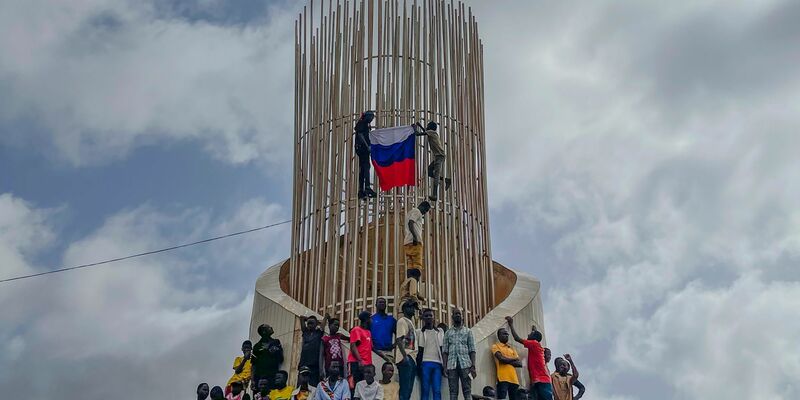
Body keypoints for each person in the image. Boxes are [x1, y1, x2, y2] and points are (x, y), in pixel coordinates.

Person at [505, 318, 552, 400]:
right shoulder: (535, 345)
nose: (528, 334)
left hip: (542, 381)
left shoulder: (534, 344)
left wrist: (511, 324)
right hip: (539, 381)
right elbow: (536, 337)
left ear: (534, 337)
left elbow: (517, 338)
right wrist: (534, 330)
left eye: (530, 333)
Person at [443, 309, 476, 400]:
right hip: (451, 366)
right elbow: (445, 351)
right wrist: (445, 366)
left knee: (467, 391)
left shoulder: (468, 331)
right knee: (453, 392)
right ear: (452, 316)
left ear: (462, 316)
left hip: (466, 365)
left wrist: (473, 366)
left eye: (459, 314)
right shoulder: (448, 333)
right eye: (455, 314)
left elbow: (472, 350)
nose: (457, 315)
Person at [413, 121, 451, 201]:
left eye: (427, 125)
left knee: (436, 175)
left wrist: (414, 128)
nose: (426, 126)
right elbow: (425, 132)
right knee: (429, 172)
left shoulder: (431, 132)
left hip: (439, 156)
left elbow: (418, 134)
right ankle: (446, 180)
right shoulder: (432, 133)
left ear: (430, 127)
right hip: (438, 156)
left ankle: (435, 195)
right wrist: (420, 126)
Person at [403, 201, 431, 303]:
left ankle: (409, 290)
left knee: (410, 267)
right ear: (423, 206)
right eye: (426, 210)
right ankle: (414, 292)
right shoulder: (417, 211)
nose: (424, 213)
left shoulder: (410, 212)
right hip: (415, 242)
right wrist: (415, 237)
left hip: (407, 242)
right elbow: (411, 222)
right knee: (417, 268)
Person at [416, 308, 445, 400]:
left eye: (430, 315)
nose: (428, 317)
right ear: (423, 318)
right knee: (425, 389)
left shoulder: (440, 331)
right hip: (425, 363)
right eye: (426, 316)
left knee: (437, 390)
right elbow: (418, 350)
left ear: (434, 318)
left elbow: (443, 348)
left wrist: (444, 365)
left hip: (438, 364)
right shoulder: (419, 332)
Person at [394, 300, 418, 400]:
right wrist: (405, 357)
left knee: (408, 390)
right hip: (406, 358)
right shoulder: (402, 321)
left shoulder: (410, 322)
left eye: (413, 307)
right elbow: (399, 339)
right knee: (404, 390)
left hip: (412, 358)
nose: (413, 309)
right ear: (404, 309)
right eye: (410, 307)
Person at [252, 324, 284, 393]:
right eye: (268, 327)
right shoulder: (257, 346)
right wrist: (253, 380)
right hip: (259, 379)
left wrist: (276, 351)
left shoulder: (276, 342)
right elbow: (253, 365)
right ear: (264, 332)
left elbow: (281, 359)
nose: (271, 327)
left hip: (272, 377)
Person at [492, 328, 521, 400]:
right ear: (499, 336)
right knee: (502, 398)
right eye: (504, 334)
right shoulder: (495, 346)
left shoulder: (511, 348)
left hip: (514, 379)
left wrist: (506, 359)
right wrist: (513, 359)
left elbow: (519, 364)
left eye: (507, 334)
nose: (507, 335)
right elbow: (501, 359)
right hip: (502, 378)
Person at [354, 111, 377, 199]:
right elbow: (360, 135)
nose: (371, 119)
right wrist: (367, 146)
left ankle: (361, 190)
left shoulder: (364, 124)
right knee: (366, 166)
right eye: (371, 117)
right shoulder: (362, 123)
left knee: (363, 169)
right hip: (362, 148)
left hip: (361, 148)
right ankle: (367, 187)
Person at [299, 315, 326, 386]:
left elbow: (324, 322)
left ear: (316, 324)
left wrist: (320, 320)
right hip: (303, 363)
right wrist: (309, 319)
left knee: (313, 385)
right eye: (308, 323)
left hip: (314, 364)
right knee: (301, 385)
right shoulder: (305, 332)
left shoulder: (318, 332)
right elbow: (301, 317)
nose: (310, 325)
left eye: (312, 323)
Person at [349, 311, 374, 384]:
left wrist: (383, 356)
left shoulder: (368, 332)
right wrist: (360, 360)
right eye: (371, 318)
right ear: (367, 319)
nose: (372, 321)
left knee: (364, 386)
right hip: (357, 363)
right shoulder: (356, 330)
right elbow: (353, 346)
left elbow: (371, 347)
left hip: (367, 364)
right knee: (355, 385)